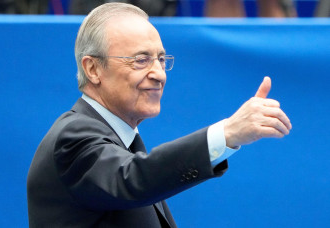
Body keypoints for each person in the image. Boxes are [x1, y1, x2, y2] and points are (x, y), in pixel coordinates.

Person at [27, 2, 292, 227]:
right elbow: (133, 178)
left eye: (161, 60)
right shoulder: (73, 137)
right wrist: (227, 134)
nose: (159, 74)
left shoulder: (120, 141)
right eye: (141, 60)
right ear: (93, 69)